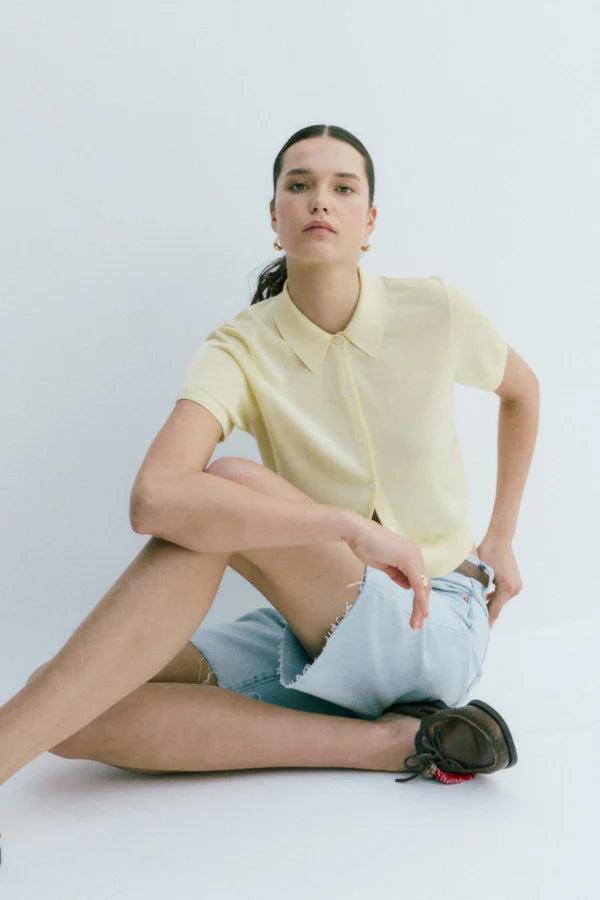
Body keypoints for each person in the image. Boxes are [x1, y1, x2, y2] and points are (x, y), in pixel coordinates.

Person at [1, 124, 539, 790]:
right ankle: (391, 743)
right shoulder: (240, 347)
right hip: (315, 627)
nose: (321, 202)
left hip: (436, 617)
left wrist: (504, 536)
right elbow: (154, 500)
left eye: (343, 188)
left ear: (368, 222)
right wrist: (346, 527)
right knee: (70, 711)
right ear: (274, 217)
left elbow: (523, 390)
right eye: (300, 186)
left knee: (225, 484)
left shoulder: (435, 311)